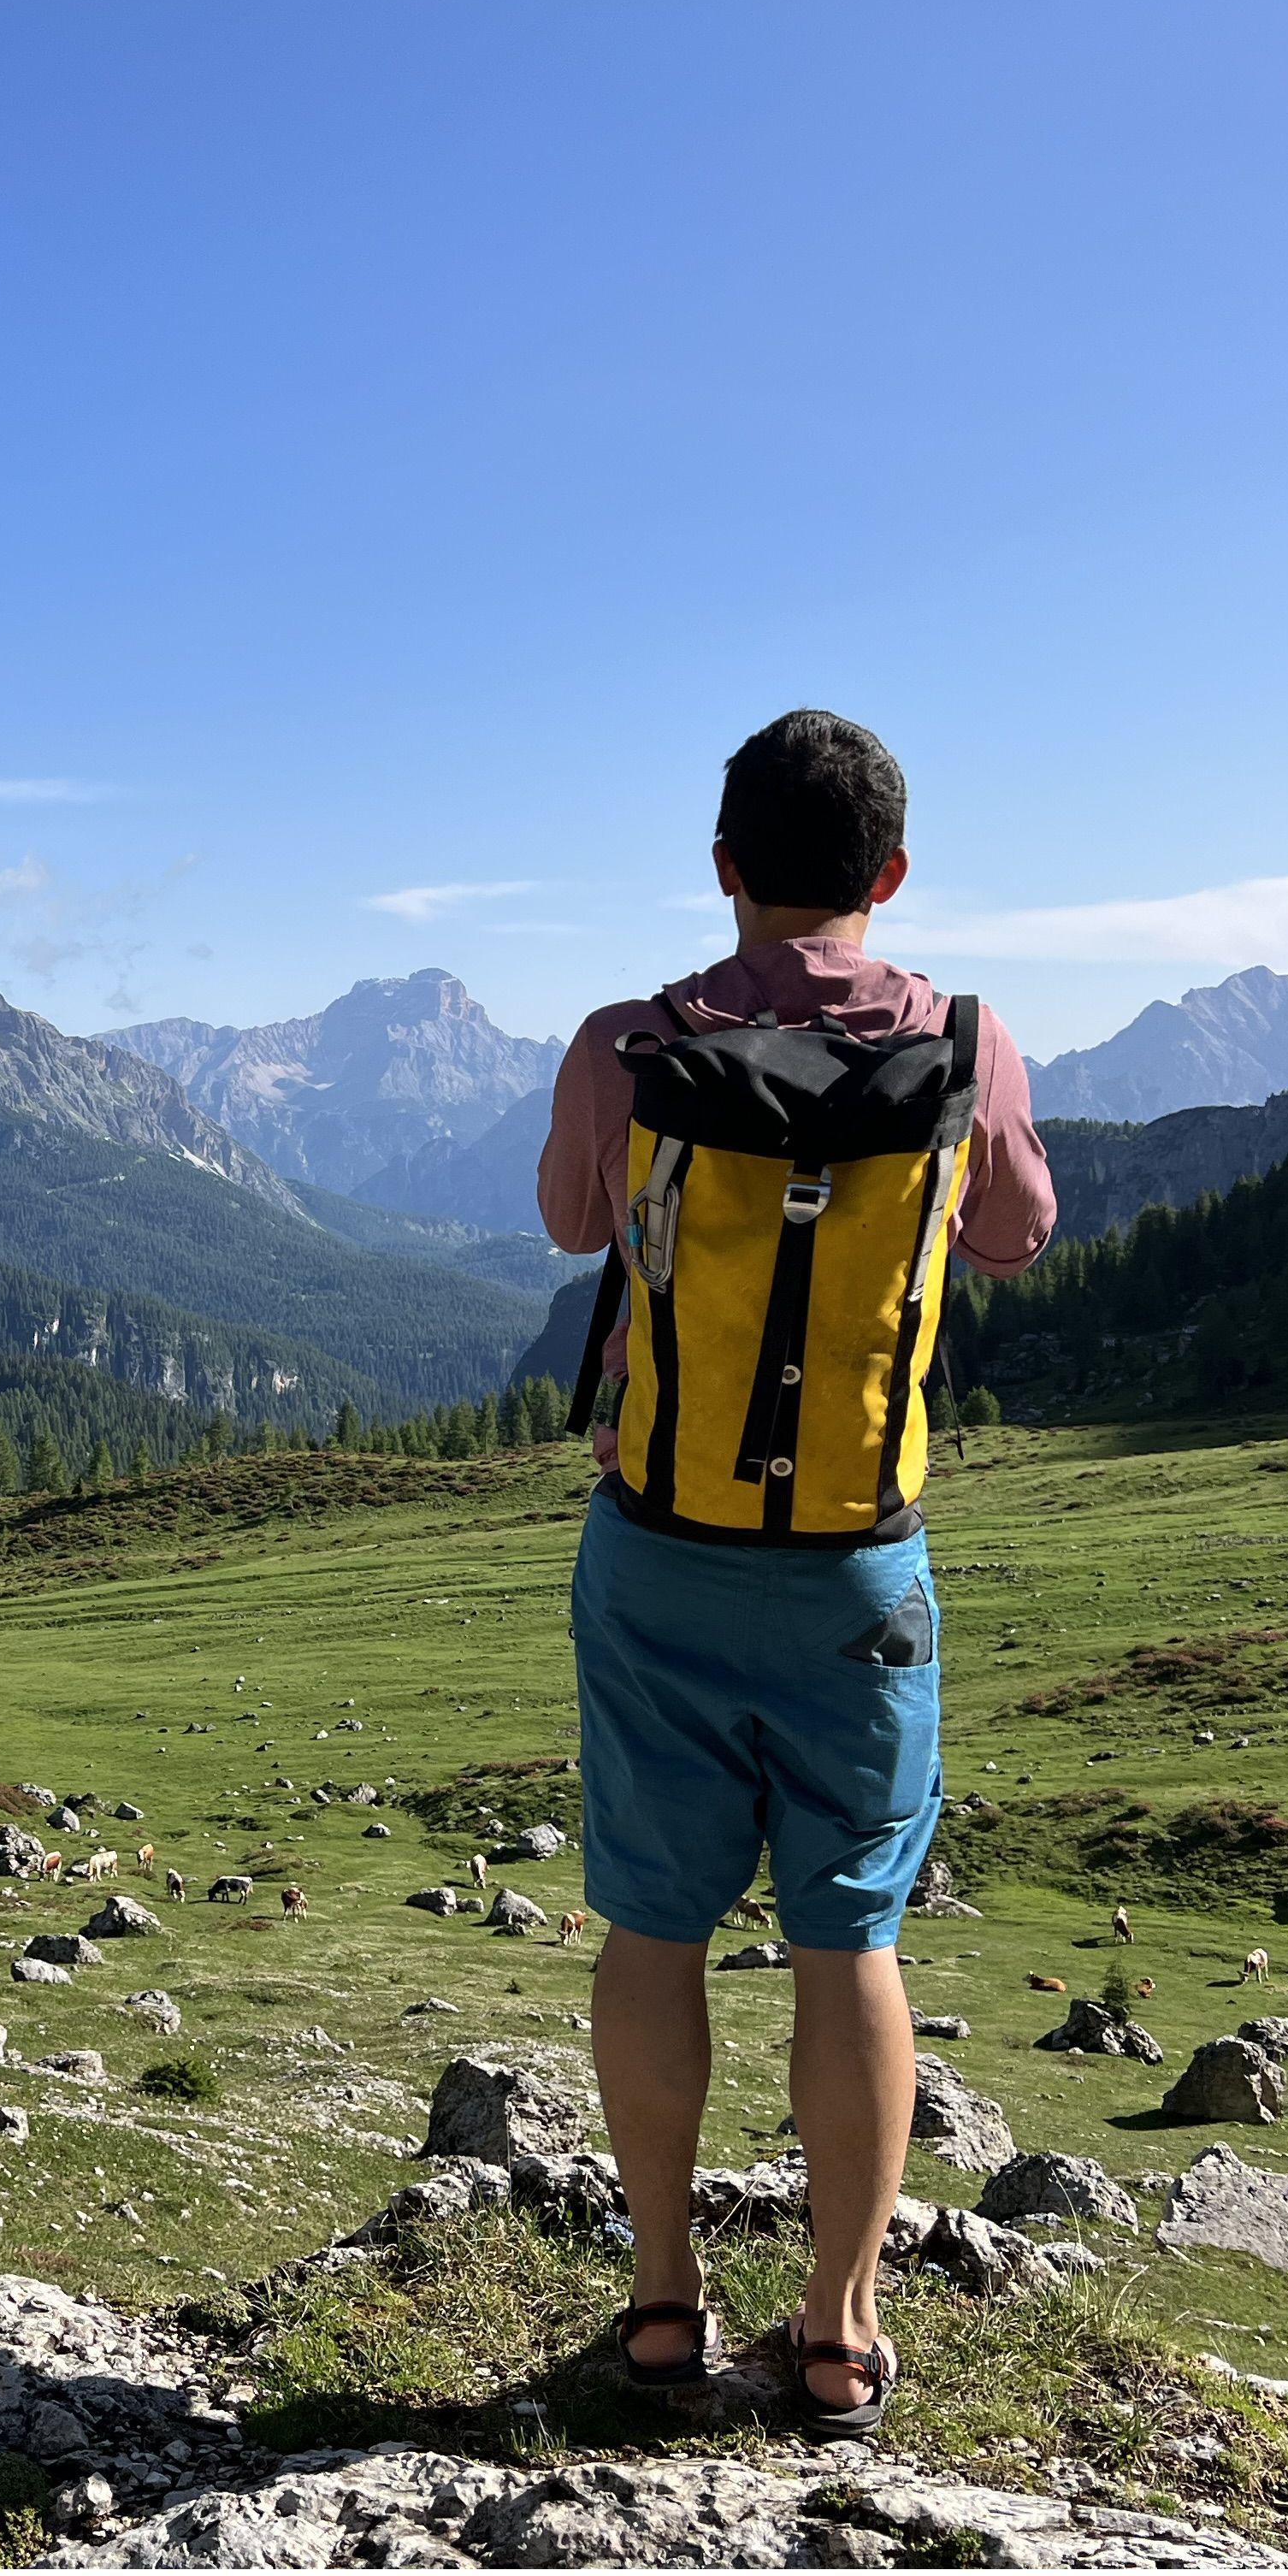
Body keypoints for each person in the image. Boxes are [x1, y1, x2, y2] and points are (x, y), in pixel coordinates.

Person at [535, 712, 1055, 2436]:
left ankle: (667, 2309)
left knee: (654, 1923)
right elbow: (1014, 1236)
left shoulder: (633, 1042)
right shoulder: (972, 1047)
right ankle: (838, 2336)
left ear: (724, 867)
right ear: (891, 877)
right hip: (860, 1569)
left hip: (659, 1551)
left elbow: (568, 1222)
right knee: (853, 1940)